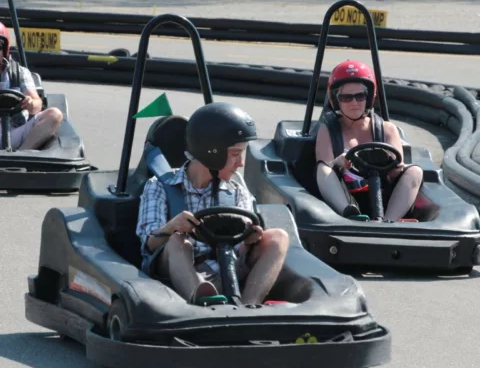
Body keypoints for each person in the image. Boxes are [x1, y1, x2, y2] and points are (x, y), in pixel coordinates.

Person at [136, 102, 289, 305]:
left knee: (279, 236)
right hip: (179, 272)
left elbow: (242, 241)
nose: (241, 163)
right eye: (235, 154)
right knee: (178, 241)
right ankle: (201, 301)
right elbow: (149, 244)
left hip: (229, 267)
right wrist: (172, 227)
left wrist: (250, 237)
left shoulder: (235, 188)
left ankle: (249, 306)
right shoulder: (159, 186)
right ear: (211, 152)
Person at [315, 60, 423, 222]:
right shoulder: (328, 130)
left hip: (384, 196)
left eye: (360, 96)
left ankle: (388, 223)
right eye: (346, 97)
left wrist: (395, 169)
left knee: (415, 171)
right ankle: (349, 214)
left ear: (369, 97)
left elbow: (396, 170)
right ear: (336, 99)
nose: (354, 103)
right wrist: (338, 162)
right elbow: (324, 169)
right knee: (323, 169)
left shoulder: (387, 130)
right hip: (347, 196)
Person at [0, 22, 63, 150]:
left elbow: (36, 105)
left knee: (54, 115)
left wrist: (30, 103)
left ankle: (21, 156)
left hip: (14, 131)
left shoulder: (19, 73)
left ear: (4, 49)